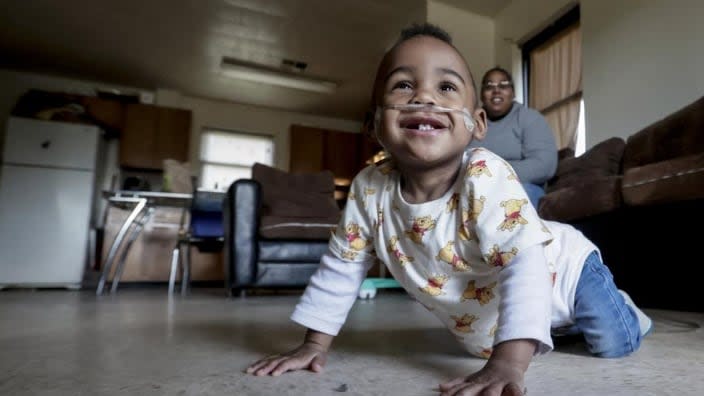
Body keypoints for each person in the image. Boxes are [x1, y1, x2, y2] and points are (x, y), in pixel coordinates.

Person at [246, 23, 651, 395]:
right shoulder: (369, 190)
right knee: (502, 342)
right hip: (496, 307)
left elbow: (525, 264)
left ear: (476, 124)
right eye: (403, 86)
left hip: (565, 270)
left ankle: (624, 309)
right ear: (373, 125)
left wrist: (509, 362)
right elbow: (342, 265)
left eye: (446, 88)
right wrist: (312, 344)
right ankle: (549, 327)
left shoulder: (484, 174)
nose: (424, 96)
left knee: (613, 345)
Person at [468, 66, 558, 209]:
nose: (496, 90)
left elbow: (544, 166)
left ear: (513, 93)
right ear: (481, 95)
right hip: (475, 189)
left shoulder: (530, 118)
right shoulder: (470, 124)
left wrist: (493, 176)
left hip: (521, 186)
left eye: (503, 85)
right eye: (489, 86)